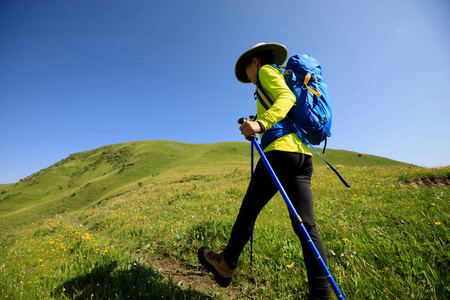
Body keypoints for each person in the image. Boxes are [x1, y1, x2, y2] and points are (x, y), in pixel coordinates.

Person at [198, 42, 331, 300]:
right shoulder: (281, 76)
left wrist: (260, 123)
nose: (247, 76)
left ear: (255, 61)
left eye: (246, 69)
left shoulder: (268, 72)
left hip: (279, 154)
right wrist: (261, 118)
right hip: (301, 156)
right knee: (306, 227)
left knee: (248, 211)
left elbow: (287, 98)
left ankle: (225, 266)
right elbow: (286, 103)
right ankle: (321, 294)